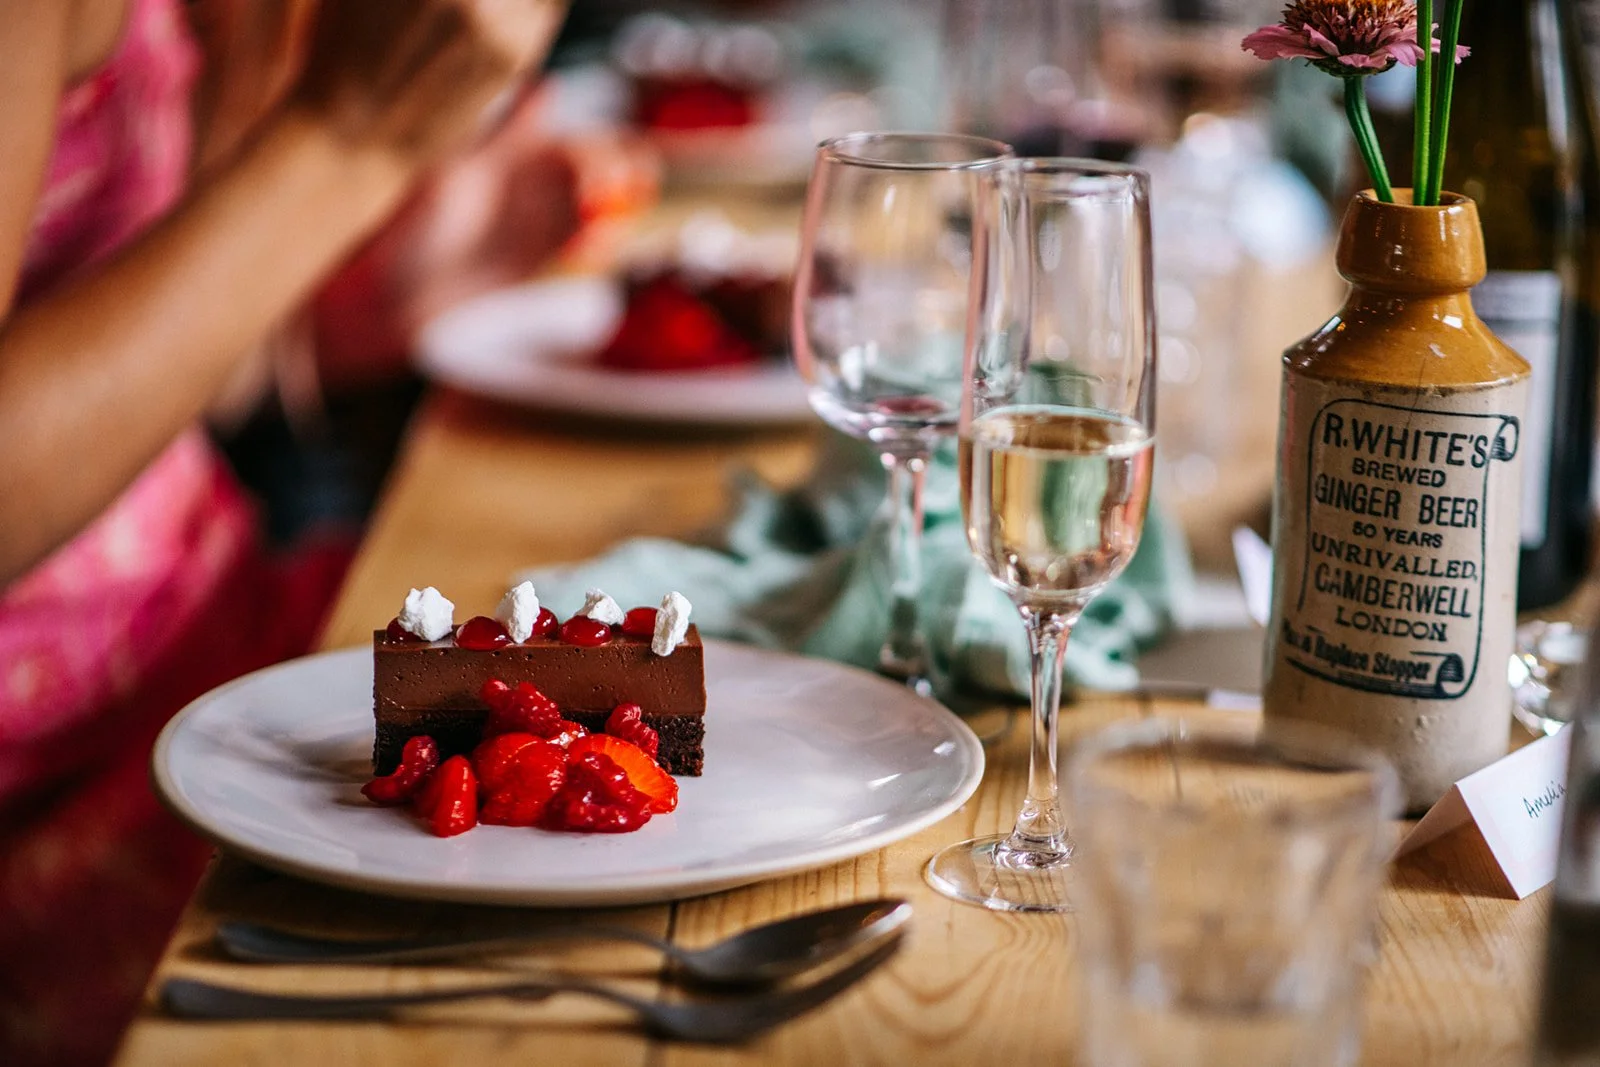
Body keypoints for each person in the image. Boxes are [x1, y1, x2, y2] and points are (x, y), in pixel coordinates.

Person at [0, 2, 574, 1063]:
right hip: (68, 782)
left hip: (209, 628)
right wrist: (352, 142)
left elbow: (185, 381)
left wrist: (383, 295)